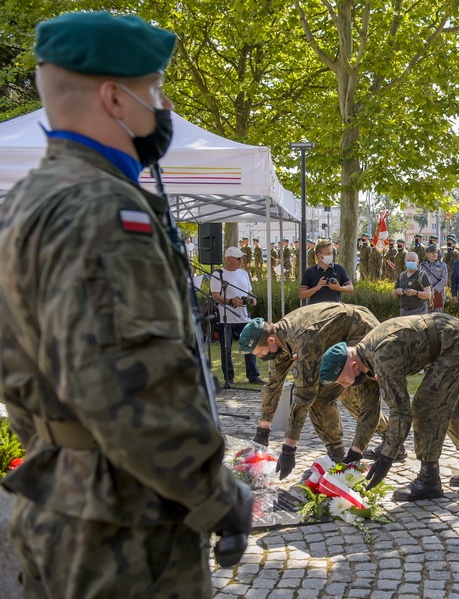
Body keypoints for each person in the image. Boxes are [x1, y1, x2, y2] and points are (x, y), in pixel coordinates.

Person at [0, 12, 251, 596]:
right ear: (114, 97)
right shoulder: (105, 213)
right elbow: (131, 389)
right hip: (124, 530)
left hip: (64, 502)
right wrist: (217, 496)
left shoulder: (27, 203)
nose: (160, 107)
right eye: (154, 90)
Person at [319, 313, 459, 501]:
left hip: (457, 342)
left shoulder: (382, 357)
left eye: (343, 380)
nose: (345, 385)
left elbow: (401, 411)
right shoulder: (366, 359)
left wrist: (387, 458)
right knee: (455, 405)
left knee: (426, 406)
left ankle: (429, 479)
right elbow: (369, 410)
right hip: (452, 341)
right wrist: (354, 454)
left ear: (352, 365)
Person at [240, 306, 393, 479]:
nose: (261, 357)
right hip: (337, 336)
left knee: (325, 396)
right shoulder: (280, 339)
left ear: (270, 341)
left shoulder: (302, 340)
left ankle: (338, 457)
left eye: (260, 352)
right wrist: (263, 431)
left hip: (360, 332)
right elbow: (274, 385)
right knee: (339, 393)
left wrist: (289, 449)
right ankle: (386, 437)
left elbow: (304, 395)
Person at [211, 247, 263, 387]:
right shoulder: (218, 274)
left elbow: (249, 292)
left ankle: (253, 376)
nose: (241, 261)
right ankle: (229, 377)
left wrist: (253, 299)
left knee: (250, 346)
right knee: (226, 349)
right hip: (226, 318)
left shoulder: (244, 274)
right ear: (228, 259)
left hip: (244, 317)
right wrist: (230, 301)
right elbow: (215, 295)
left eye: (241, 258)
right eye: (238, 258)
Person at [299, 239, 354, 304]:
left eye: (331, 253)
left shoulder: (339, 269)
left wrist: (339, 288)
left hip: (335, 309)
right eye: (328, 253)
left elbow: (350, 288)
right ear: (319, 255)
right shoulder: (309, 272)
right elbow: (301, 295)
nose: (331, 255)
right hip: (317, 310)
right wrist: (316, 288)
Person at [393, 251, 432, 316]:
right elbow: (393, 295)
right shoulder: (401, 275)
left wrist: (415, 293)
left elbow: (428, 295)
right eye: (408, 260)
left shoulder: (422, 275)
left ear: (417, 262)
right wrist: (397, 291)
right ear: (405, 261)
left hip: (418, 312)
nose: (410, 262)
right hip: (403, 312)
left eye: (413, 261)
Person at [420, 244, 448, 313]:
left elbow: (444, 280)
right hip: (425, 294)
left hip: (437, 294)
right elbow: (419, 280)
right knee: (425, 317)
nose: (435, 254)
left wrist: (434, 290)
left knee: (437, 316)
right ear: (427, 254)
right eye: (432, 253)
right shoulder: (421, 266)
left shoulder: (442, 265)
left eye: (436, 252)